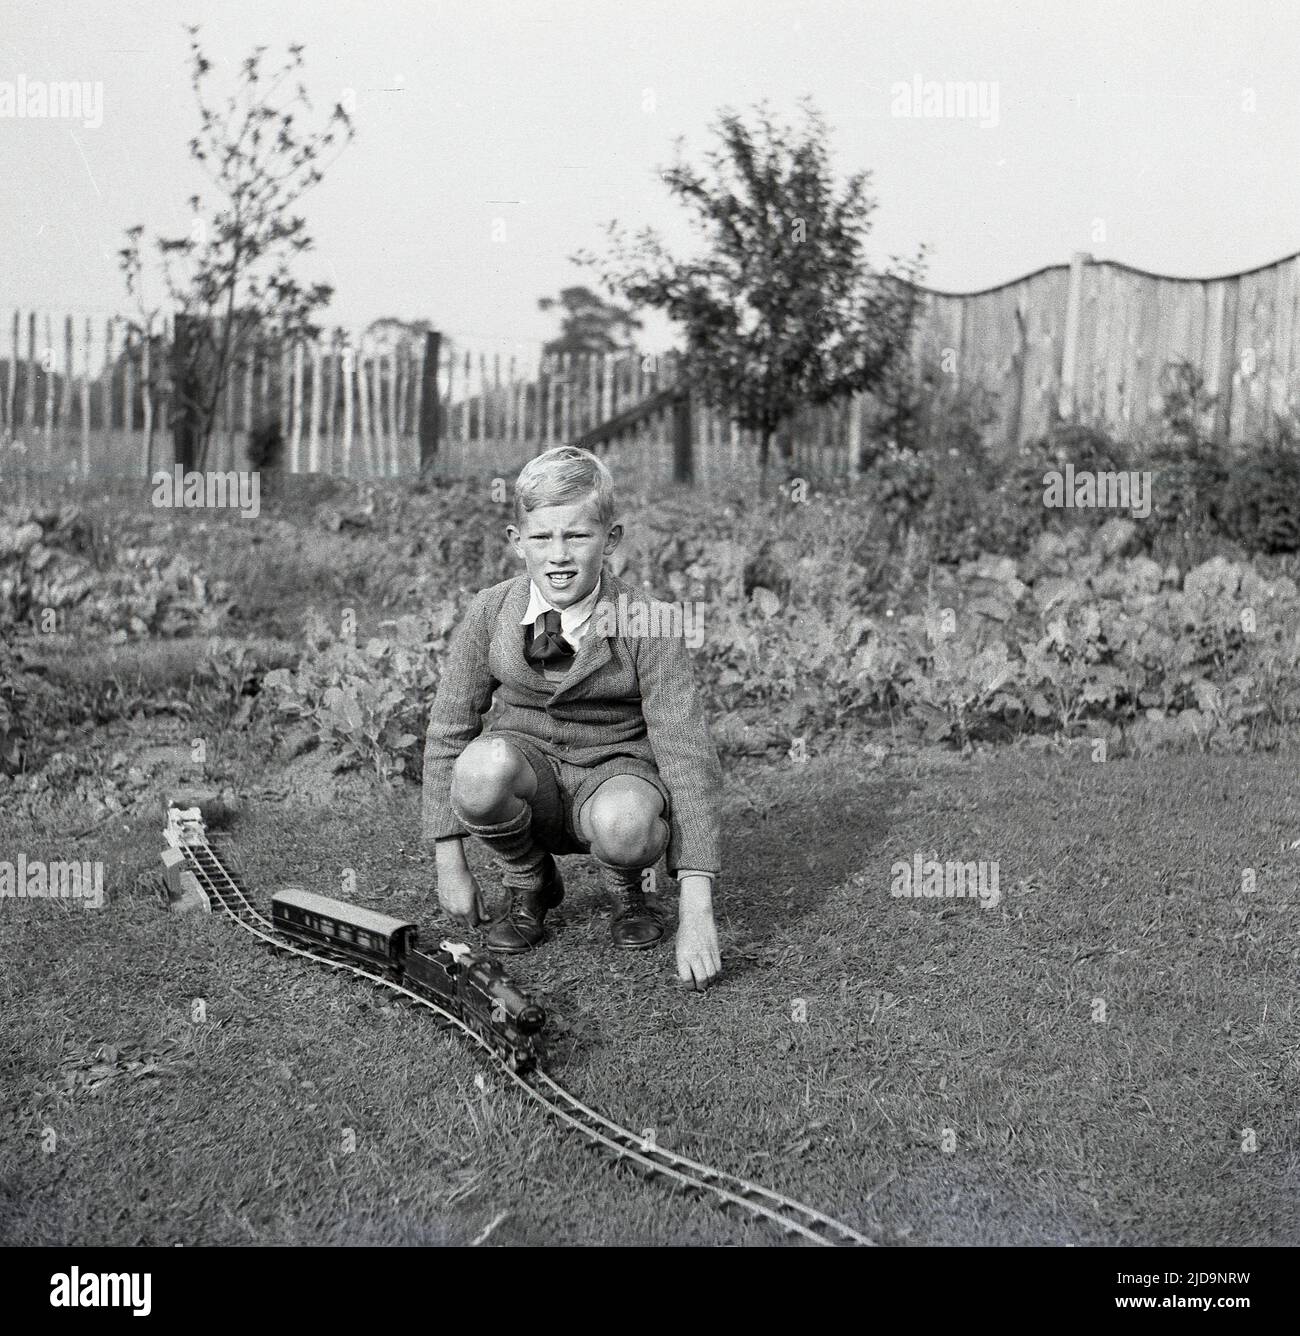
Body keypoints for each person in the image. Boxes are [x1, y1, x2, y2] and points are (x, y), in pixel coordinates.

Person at [423, 446, 723, 990]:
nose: (559, 555)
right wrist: (449, 860)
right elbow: (449, 728)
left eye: (578, 536)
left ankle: (629, 889)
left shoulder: (648, 621)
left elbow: (685, 752)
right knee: (477, 769)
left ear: (610, 540)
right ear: (518, 543)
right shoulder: (489, 612)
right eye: (542, 537)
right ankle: (531, 880)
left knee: (626, 823)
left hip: (613, 774)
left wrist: (697, 910)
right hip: (529, 775)